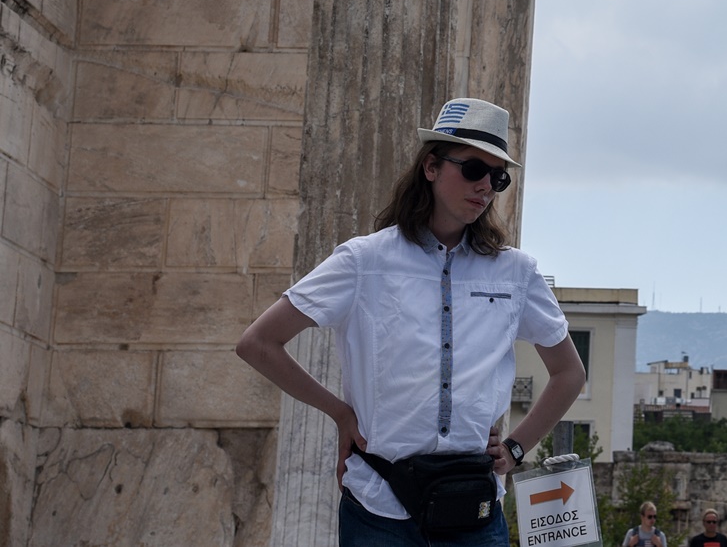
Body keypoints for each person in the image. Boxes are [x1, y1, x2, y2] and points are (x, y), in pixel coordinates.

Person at [237, 97, 587, 546]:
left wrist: (516, 449)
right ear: (431, 167)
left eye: (498, 177)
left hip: (473, 511)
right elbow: (258, 343)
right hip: (378, 505)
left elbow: (569, 373)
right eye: (474, 169)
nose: (486, 187)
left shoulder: (516, 273)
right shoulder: (365, 261)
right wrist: (340, 413)